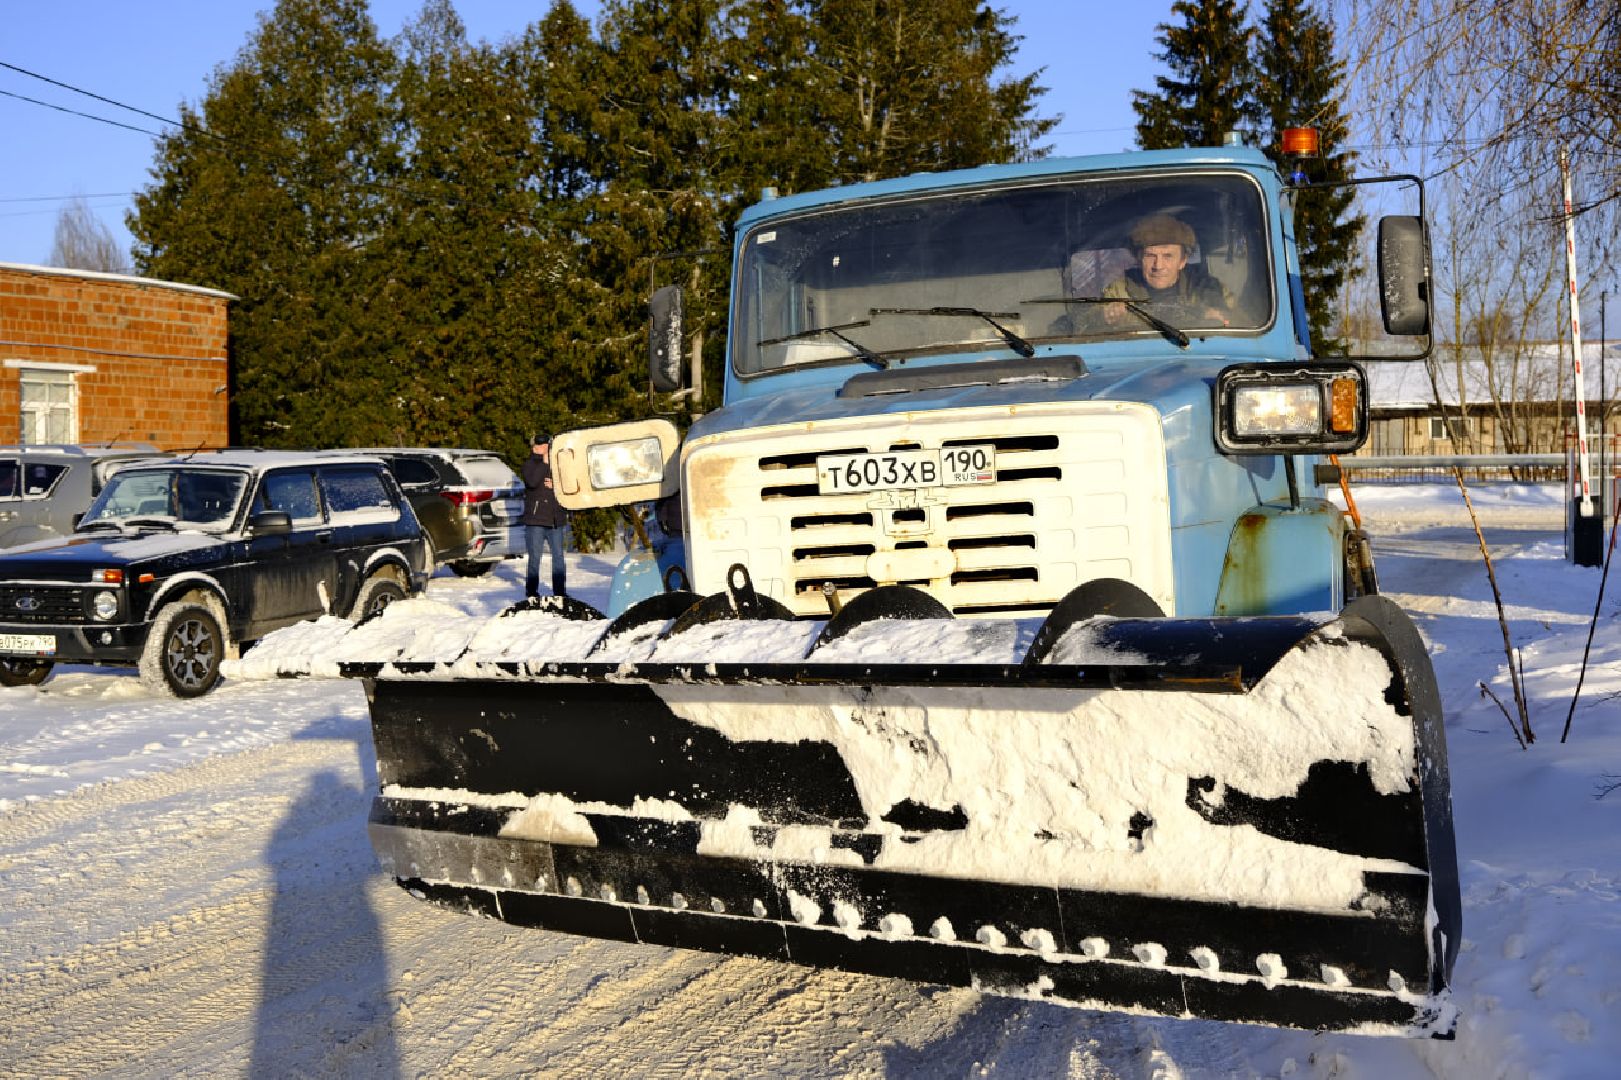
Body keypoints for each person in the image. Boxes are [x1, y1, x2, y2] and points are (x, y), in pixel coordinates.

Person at [1100, 213, 1232, 328]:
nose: (1158, 266)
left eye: (1168, 256)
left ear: (1182, 261)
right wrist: (1106, 316)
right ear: (1139, 259)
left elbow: (1242, 322)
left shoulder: (1207, 288)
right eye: (1150, 256)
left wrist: (1219, 316)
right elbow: (1088, 322)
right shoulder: (1119, 291)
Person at [521, 432, 568, 599]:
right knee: (535, 558)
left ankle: (560, 593)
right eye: (543, 445)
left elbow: (568, 483)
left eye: (547, 444)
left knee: (559, 557)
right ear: (535, 447)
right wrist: (544, 464)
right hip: (536, 520)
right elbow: (532, 482)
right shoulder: (529, 464)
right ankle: (532, 592)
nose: (546, 448)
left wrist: (556, 485)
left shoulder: (558, 463)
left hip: (556, 518)